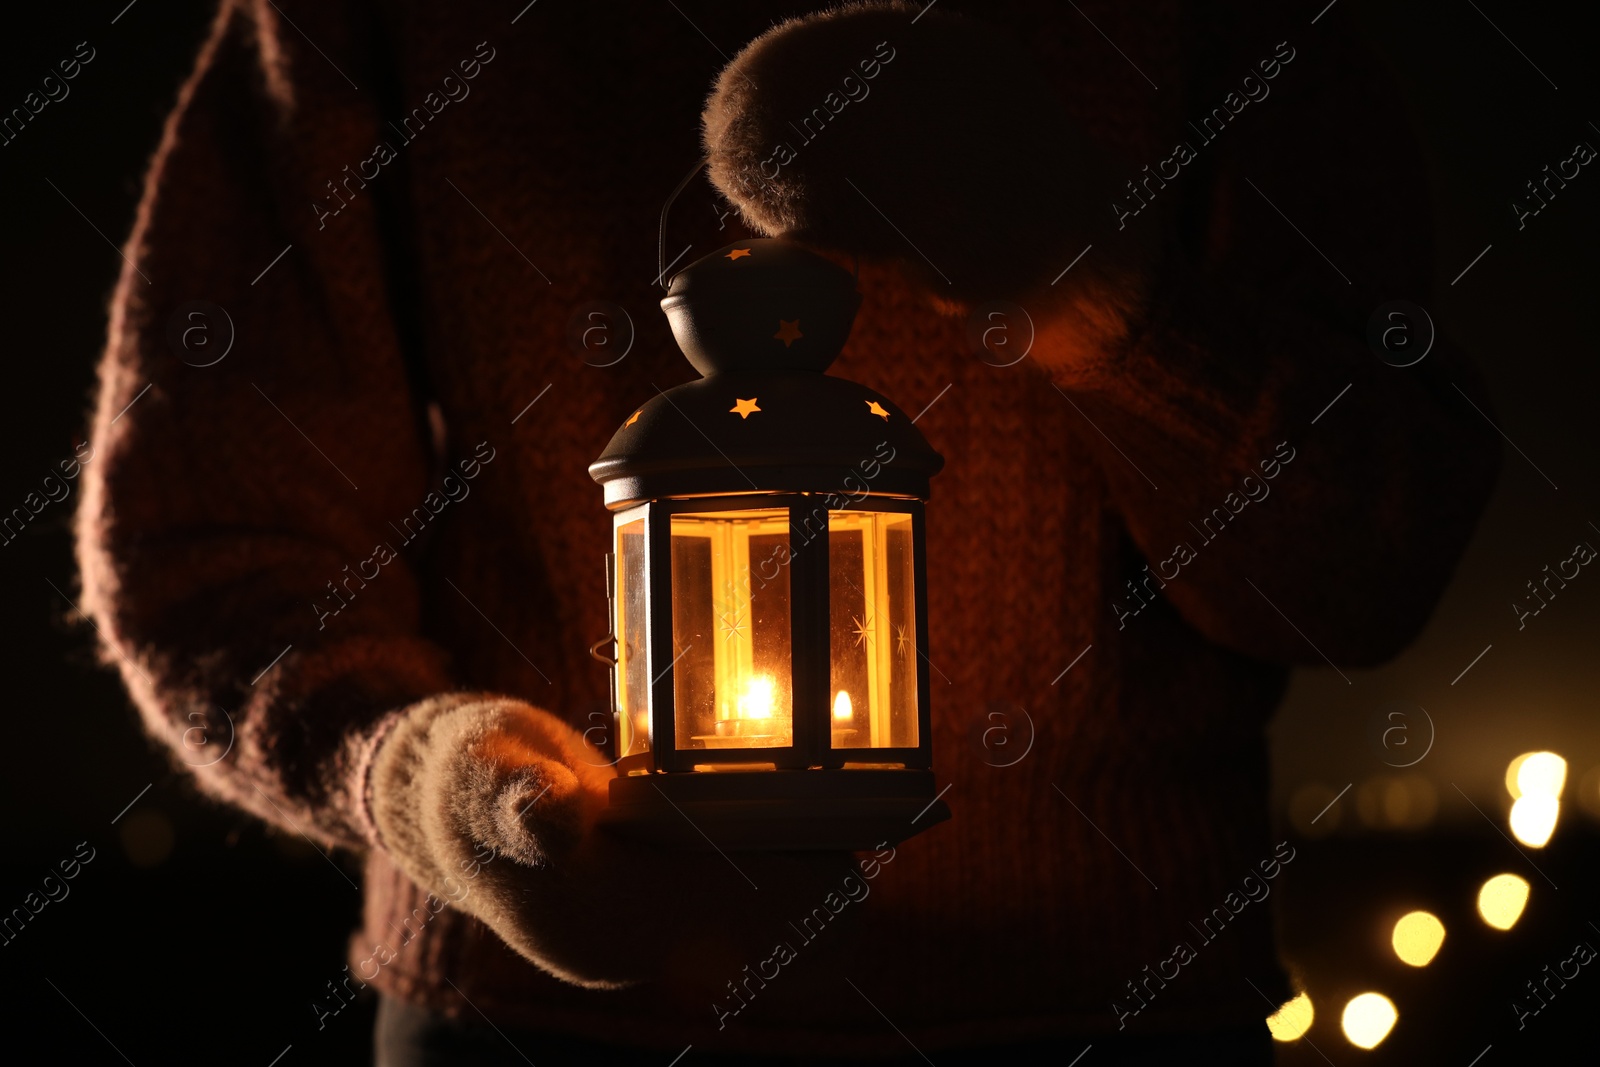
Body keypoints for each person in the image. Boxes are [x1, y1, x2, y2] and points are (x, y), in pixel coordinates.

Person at [77, 1, 1499, 1063]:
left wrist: (1094, 282)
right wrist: (441, 797)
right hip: (539, 1036)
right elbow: (212, 545)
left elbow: (1364, 561)